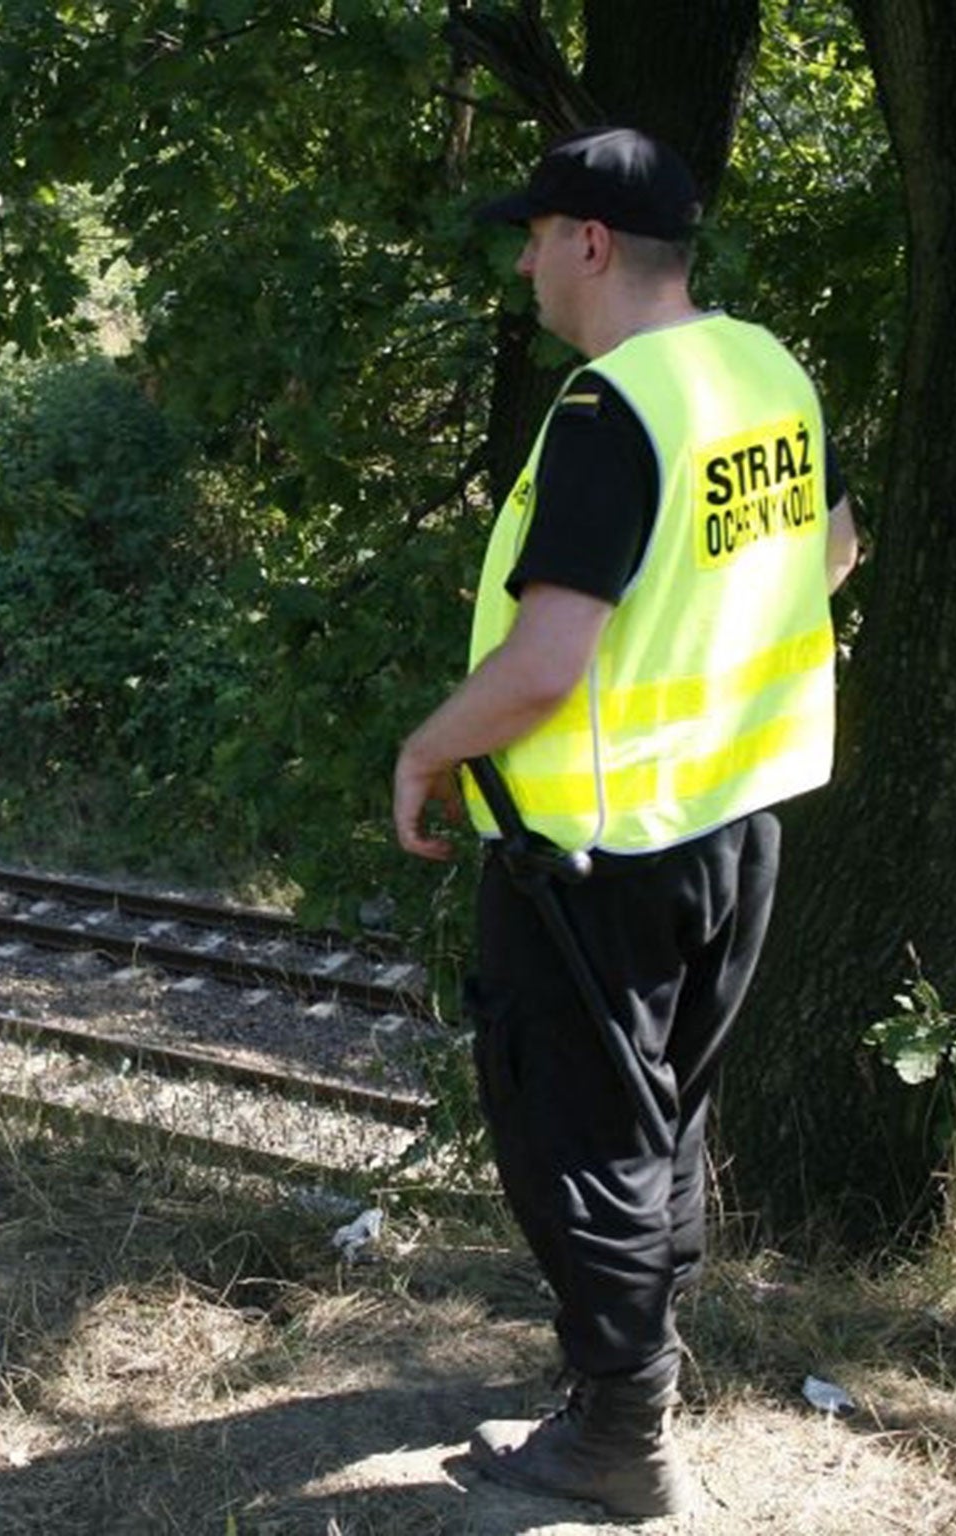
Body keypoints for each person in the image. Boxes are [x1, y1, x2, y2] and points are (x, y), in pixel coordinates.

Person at [390, 129, 860, 1517]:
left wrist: (425, 750)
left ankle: (619, 1440)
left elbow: (545, 668)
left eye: (534, 236)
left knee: (576, 1136)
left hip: (598, 852)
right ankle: (630, 1389)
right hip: (737, 819)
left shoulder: (611, 412)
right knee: (661, 1123)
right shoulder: (764, 369)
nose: (525, 263)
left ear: (591, 242)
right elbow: (827, 550)